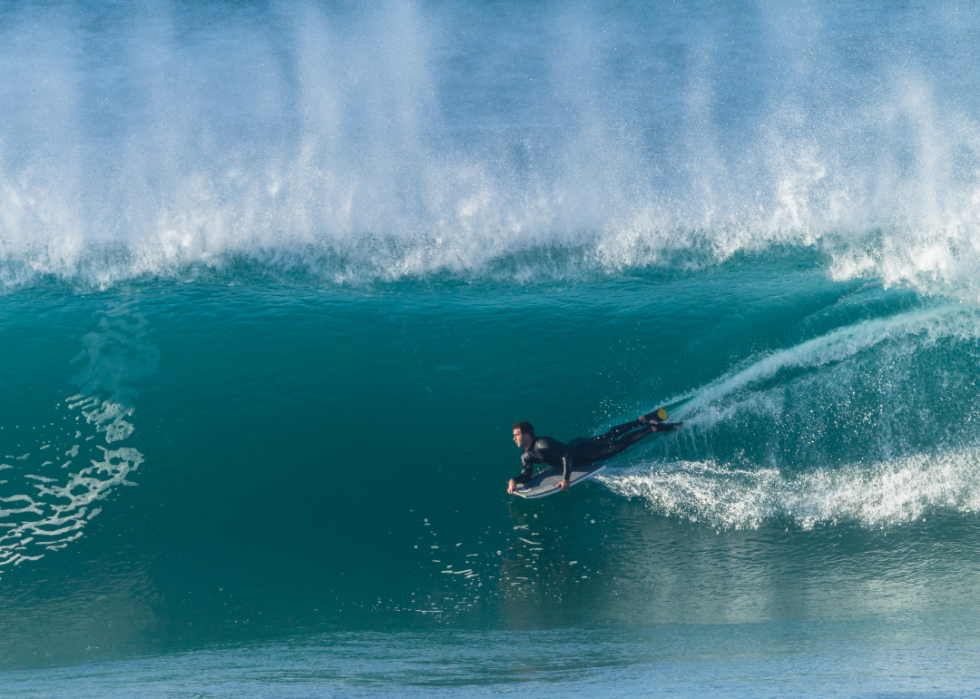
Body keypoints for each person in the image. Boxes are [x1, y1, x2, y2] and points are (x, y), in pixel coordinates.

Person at [507, 410, 682, 494]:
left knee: (619, 445)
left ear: (527, 435)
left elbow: (566, 456)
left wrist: (566, 479)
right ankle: (640, 420)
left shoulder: (542, 444)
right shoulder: (526, 455)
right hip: (578, 444)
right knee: (609, 435)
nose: (514, 439)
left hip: (584, 453)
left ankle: (652, 428)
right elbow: (527, 474)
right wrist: (514, 480)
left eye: (517, 435)